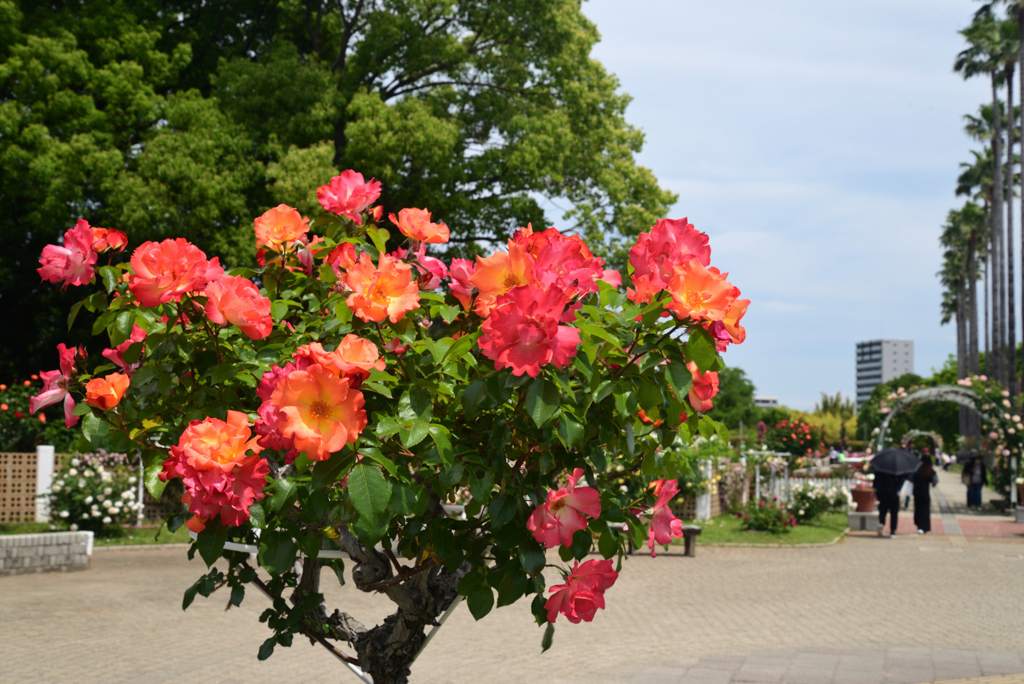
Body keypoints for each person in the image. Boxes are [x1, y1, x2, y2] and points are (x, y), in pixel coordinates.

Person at [912, 454, 939, 533]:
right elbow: (935, 481)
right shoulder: (930, 470)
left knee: (918, 508)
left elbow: (911, 478)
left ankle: (918, 524)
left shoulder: (917, 469)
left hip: (917, 491)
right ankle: (924, 526)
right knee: (925, 510)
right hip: (925, 492)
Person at [874, 470, 900, 538]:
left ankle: (881, 523)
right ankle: (892, 531)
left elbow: (876, 481)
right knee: (894, 513)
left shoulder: (880, 469)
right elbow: (900, 481)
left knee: (882, 510)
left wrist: (877, 492)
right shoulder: (896, 470)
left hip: (882, 493)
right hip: (893, 493)